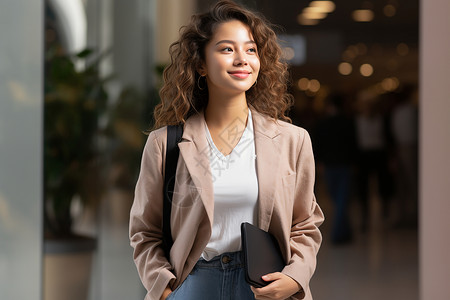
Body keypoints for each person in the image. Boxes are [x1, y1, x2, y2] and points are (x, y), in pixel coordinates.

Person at [129, 1, 324, 299]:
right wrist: (165, 287)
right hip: (192, 284)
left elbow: (305, 225)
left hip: (264, 286)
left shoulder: (291, 140)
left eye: (251, 50)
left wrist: (294, 278)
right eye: (227, 49)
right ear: (200, 64)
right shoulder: (164, 143)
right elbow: (145, 231)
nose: (242, 59)